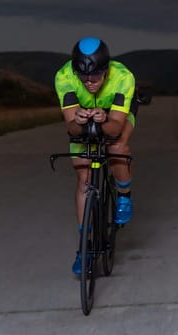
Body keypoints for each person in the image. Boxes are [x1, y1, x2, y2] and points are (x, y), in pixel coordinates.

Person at [54, 36, 137, 274]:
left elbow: (114, 129)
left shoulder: (123, 78)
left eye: (96, 77)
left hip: (115, 115)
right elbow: (71, 127)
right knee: (84, 180)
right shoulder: (64, 77)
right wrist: (78, 121)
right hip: (85, 115)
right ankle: (84, 249)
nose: (90, 82)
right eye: (84, 77)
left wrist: (105, 120)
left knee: (117, 146)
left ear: (106, 70)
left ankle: (124, 194)